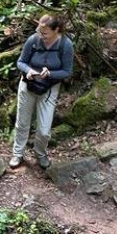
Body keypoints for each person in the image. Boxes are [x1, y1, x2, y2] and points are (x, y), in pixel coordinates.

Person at [9, 14, 74, 170]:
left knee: (44, 130)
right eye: (39, 30)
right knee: (22, 123)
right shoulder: (33, 40)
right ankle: (17, 153)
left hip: (49, 88)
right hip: (28, 85)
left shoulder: (66, 45)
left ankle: (40, 154)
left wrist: (50, 74)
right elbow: (20, 62)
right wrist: (29, 70)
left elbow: (67, 71)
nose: (41, 35)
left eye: (44, 33)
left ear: (56, 30)